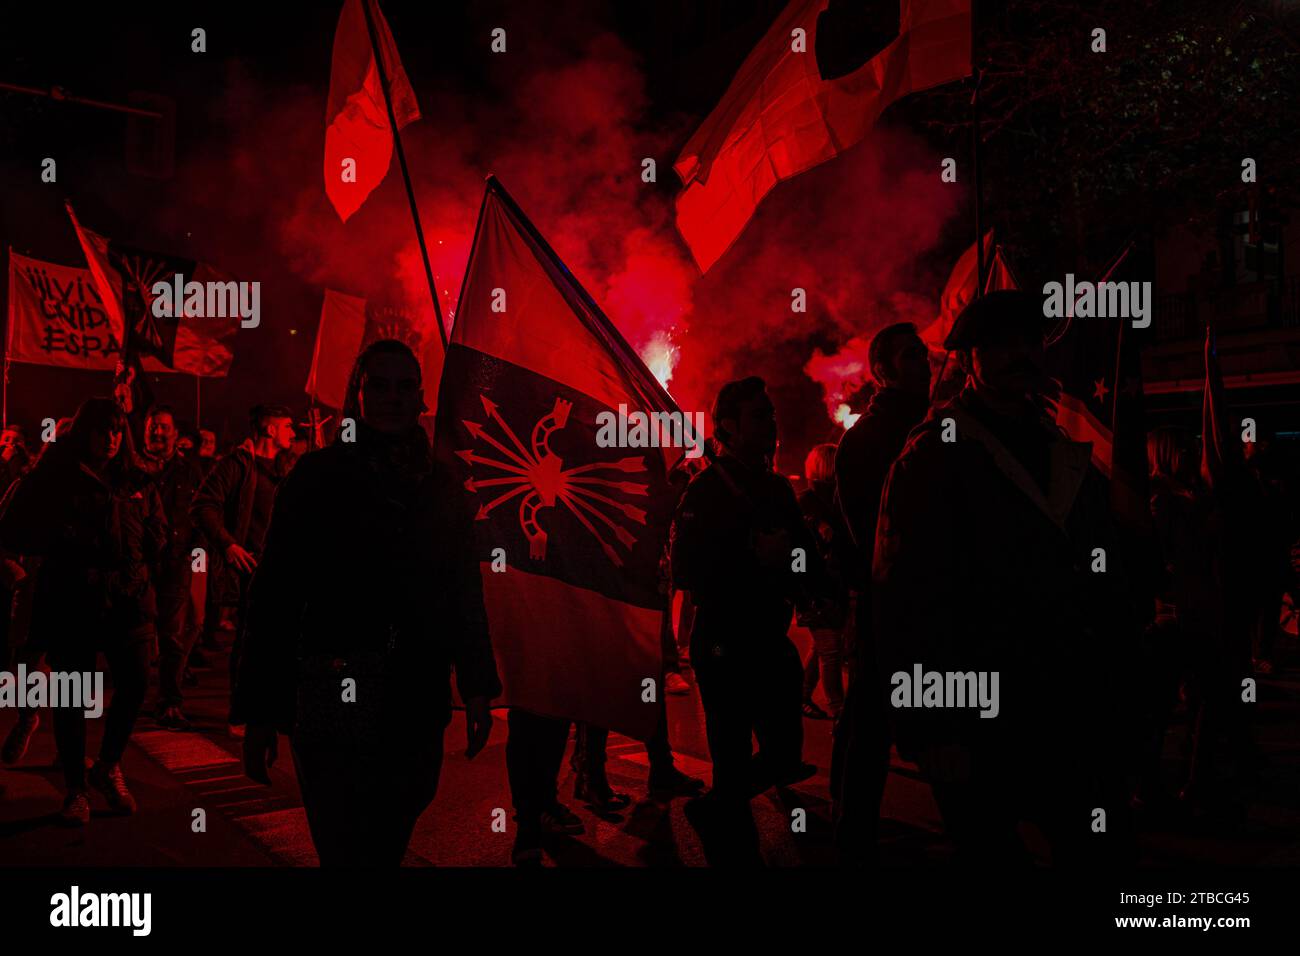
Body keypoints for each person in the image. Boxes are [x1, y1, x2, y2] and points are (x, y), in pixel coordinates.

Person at [873, 290, 1137, 865]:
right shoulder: (934, 453)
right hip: (976, 706)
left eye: (1028, 342)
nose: (1020, 354)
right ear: (969, 359)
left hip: (1063, 698)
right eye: (1000, 345)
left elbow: (1098, 566)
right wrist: (930, 724)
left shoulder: (1060, 444)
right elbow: (907, 595)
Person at [238, 340, 500, 866]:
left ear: (421, 397)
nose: (391, 397)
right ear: (358, 394)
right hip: (331, 688)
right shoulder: (316, 478)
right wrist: (261, 710)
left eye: (404, 386)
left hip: (414, 695)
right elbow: (275, 596)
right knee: (343, 847)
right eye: (378, 384)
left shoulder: (441, 487)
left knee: (387, 840)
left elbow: (461, 593)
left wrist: (476, 685)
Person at [670, 376, 819, 865]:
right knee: (731, 756)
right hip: (724, 644)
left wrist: (811, 583)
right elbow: (689, 574)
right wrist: (753, 557)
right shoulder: (705, 491)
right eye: (760, 416)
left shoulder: (776, 487)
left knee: (785, 754)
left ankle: (715, 807)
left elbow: (802, 554)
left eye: (772, 414)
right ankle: (730, 840)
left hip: (770, 639)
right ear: (729, 427)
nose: (772, 424)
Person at [0, 398, 165, 825]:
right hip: (73, 599)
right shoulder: (53, 476)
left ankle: (108, 765)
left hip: (129, 600)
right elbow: (15, 526)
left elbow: (157, 529)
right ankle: (75, 787)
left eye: (115, 431)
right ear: (83, 432)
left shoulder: (136, 477)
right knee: (73, 694)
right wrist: (64, 541)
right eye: (100, 430)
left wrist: (148, 552)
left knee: (136, 681)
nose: (109, 439)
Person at [830, 321, 931, 862]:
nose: (925, 364)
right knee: (872, 721)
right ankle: (852, 831)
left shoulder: (941, 425)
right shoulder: (868, 439)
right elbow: (869, 530)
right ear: (884, 370)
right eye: (911, 357)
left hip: (940, 601)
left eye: (924, 355)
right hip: (890, 602)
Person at [191, 403, 295, 735]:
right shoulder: (238, 464)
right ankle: (240, 712)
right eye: (287, 425)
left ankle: (272, 710)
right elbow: (204, 504)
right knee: (249, 643)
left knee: (280, 642)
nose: (293, 432)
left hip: (282, 568)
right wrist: (228, 544)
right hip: (252, 569)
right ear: (269, 428)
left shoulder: (286, 467)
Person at [137, 405, 205, 730]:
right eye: (153, 427)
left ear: (175, 434)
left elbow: (201, 513)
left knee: (172, 636)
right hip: (138, 564)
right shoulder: (131, 469)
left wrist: (198, 550)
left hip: (176, 563)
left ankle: (169, 700)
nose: (159, 433)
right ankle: (132, 697)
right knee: (134, 635)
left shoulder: (190, 471)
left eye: (164, 427)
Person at [797, 443, 855, 721]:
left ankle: (802, 696)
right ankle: (839, 712)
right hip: (817, 590)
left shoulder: (834, 499)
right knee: (830, 651)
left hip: (829, 587)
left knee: (822, 647)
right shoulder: (812, 503)